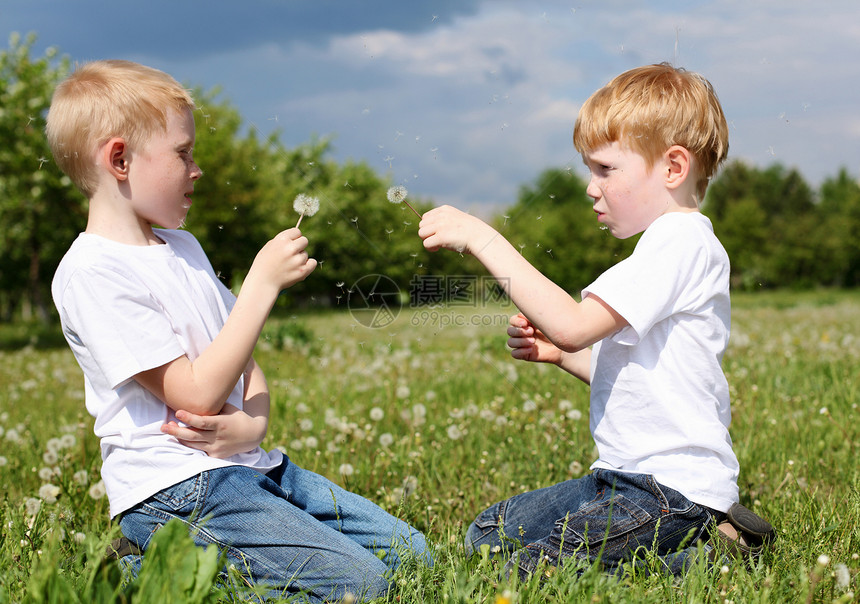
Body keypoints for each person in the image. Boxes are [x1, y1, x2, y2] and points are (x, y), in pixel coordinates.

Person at [48, 59, 429, 602]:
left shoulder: (184, 248)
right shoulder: (93, 274)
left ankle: (179, 564)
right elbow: (197, 396)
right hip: (178, 489)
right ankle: (148, 580)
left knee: (413, 556)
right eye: (183, 154)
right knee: (360, 587)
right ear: (119, 159)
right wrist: (260, 286)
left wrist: (253, 425)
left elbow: (245, 361)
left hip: (252, 466)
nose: (196, 169)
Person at [418, 63, 772, 578]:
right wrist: (563, 355)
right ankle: (705, 546)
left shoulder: (680, 243)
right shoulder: (664, 249)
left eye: (605, 169)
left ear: (673, 168)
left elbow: (572, 322)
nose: (591, 187)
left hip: (669, 492)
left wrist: (482, 238)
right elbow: (631, 377)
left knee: (527, 570)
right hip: (620, 480)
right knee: (489, 534)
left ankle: (710, 559)